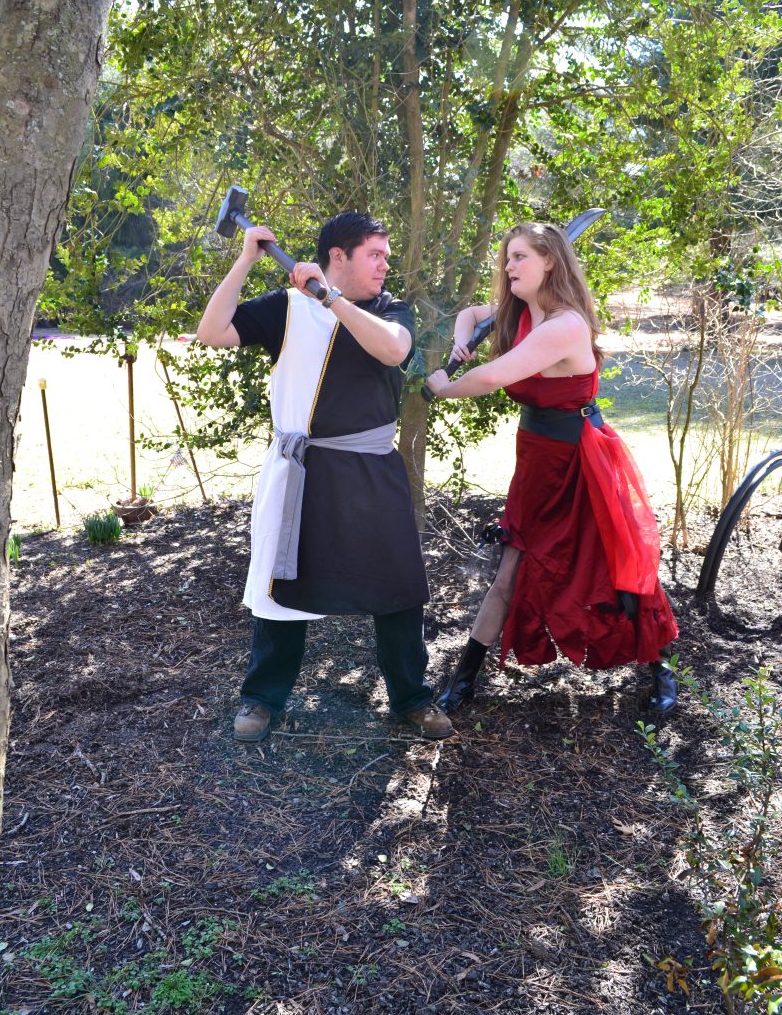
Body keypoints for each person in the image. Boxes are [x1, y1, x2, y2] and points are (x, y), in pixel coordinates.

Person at [197, 211, 455, 742]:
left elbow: (394, 349)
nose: (385, 265)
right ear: (339, 256)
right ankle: (262, 698)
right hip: (303, 472)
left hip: (371, 469)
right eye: (374, 255)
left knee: (398, 586)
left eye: (385, 255)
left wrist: (329, 298)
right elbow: (211, 332)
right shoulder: (288, 308)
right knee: (281, 584)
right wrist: (245, 260)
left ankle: (412, 698)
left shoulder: (389, 310)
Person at [426, 221, 679, 717]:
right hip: (538, 462)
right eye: (507, 257)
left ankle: (662, 666)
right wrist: (462, 342)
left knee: (619, 565)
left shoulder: (565, 325)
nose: (508, 266)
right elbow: (469, 314)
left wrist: (444, 387)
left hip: (581, 459)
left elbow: (493, 376)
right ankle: (464, 681)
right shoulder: (520, 310)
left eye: (519, 256)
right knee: (511, 568)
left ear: (548, 261)